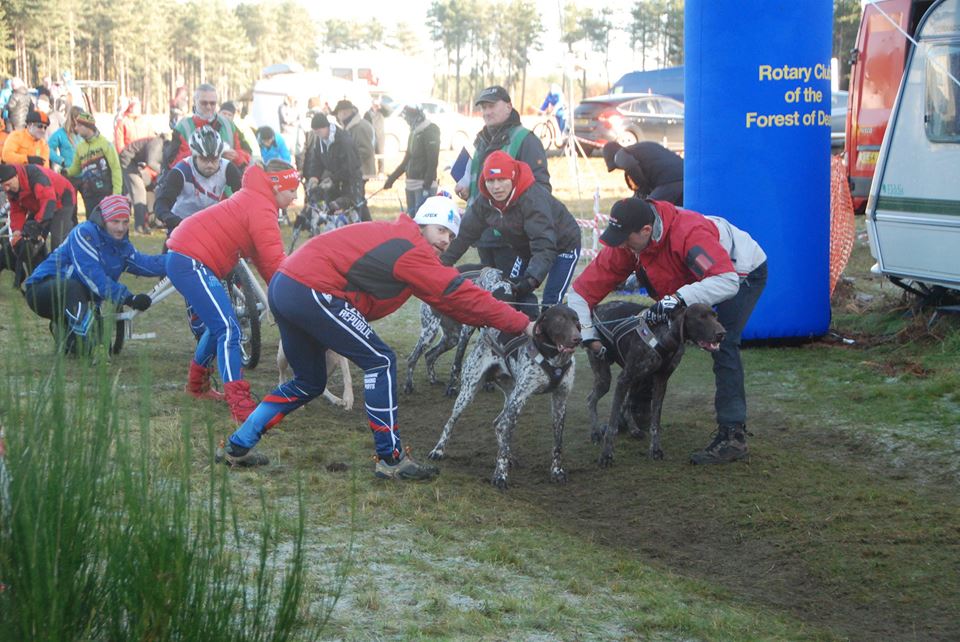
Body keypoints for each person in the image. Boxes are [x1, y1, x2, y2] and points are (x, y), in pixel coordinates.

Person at [217, 195, 535, 478]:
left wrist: (496, 319)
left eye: (451, 236)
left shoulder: (403, 243)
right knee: (380, 361)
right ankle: (390, 458)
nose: (446, 241)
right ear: (422, 224)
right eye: (441, 230)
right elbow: (459, 292)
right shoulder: (409, 246)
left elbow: (452, 301)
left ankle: (237, 446)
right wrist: (524, 324)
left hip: (288, 285)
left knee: (308, 382)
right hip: (310, 287)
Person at [568, 197, 768, 465]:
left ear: (646, 231)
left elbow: (726, 281)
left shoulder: (688, 233)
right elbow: (581, 292)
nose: (622, 246)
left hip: (738, 274)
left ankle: (733, 436)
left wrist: (677, 299)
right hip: (688, 282)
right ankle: (638, 411)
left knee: (723, 344)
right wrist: (588, 334)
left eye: (626, 239)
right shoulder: (629, 241)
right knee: (653, 337)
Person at [165, 160, 292, 422]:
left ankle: (197, 386)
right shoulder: (261, 206)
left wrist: (282, 295)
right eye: (292, 189)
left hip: (190, 257)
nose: (296, 196)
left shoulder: (257, 200)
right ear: (277, 186)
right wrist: (294, 292)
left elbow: (266, 261)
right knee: (229, 329)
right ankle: (240, 405)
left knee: (217, 326)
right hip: (191, 259)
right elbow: (274, 260)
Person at [441, 151, 580, 317]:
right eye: (490, 180)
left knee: (551, 301)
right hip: (525, 247)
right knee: (510, 291)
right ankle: (521, 333)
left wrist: (531, 280)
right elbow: (464, 235)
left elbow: (544, 245)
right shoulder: (485, 201)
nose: (496, 187)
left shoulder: (531, 199)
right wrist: (441, 264)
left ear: (512, 178)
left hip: (563, 245)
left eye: (502, 179)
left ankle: (554, 339)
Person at [22, 195, 164, 355]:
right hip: (42, 291)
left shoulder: (121, 244)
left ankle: (64, 328)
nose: (120, 228)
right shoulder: (84, 233)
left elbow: (146, 263)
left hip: (78, 298)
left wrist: (178, 260)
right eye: (115, 222)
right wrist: (129, 298)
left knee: (90, 351)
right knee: (73, 291)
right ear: (103, 220)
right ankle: (75, 329)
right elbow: (93, 277)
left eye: (125, 222)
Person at [455, 86, 550, 274]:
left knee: (512, 293)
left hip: (512, 237)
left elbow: (541, 189)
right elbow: (486, 186)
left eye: (491, 106)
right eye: (483, 107)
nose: (486, 112)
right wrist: (469, 190)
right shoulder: (482, 141)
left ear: (508, 106)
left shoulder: (525, 140)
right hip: (483, 233)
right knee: (490, 289)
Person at [0, 163, 77, 282]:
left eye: (8, 185)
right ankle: (40, 278)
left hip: (61, 200)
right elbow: (17, 211)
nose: (7, 189)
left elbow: (48, 201)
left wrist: (37, 226)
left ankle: (62, 280)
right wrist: (17, 230)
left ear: (16, 176)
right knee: (28, 242)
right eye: (3, 187)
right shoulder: (12, 190)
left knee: (58, 241)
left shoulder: (35, 176)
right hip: (39, 205)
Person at [163, 83, 250, 171]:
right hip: (193, 182)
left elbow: (247, 154)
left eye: (212, 103)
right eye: (204, 103)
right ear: (195, 102)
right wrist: (202, 153)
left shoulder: (229, 125)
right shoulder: (183, 127)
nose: (208, 107)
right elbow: (173, 163)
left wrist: (236, 156)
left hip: (226, 181)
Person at [383, 104, 441, 215]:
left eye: (409, 118)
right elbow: (407, 160)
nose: (407, 121)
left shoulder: (430, 130)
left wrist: (427, 184)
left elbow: (433, 160)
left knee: (422, 222)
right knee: (412, 221)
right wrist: (392, 179)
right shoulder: (413, 133)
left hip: (423, 185)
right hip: (410, 184)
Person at [303, 113, 362, 209]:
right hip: (336, 181)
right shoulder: (320, 142)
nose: (318, 135)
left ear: (326, 127)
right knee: (334, 209)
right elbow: (316, 161)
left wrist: (332, 179)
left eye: (319, 132)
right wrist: (314, 177)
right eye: (315, 132)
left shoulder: (343, 140)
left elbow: (351, 165)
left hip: (352, 180)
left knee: (355, 209)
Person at [67, 110, 122, 213]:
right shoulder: (80, 147)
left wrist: (116, 194)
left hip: (106, 194)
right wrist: (65, 172)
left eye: (78, 125)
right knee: (92, 225)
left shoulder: (105, 144)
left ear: (87, 126)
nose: (76, 128)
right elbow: (76, 169)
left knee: (106, 225)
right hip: (89, 196)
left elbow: (116, 169)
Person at [602, 141, 684, 205]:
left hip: (669, 181)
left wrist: (643, 188)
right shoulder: (641, 149)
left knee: (647, 210)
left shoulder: (620, 154)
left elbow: (630, 166)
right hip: (686, 177)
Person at [334, 99, 374, 221]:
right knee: (357, 200)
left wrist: (350, 161)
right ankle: (365, 225)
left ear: (345, 112)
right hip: (355, 170)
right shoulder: (349, 126)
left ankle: (366, 226)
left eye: (338, 113)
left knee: (358, 200)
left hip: (361, 170)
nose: (337, 117)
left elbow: (366, 150)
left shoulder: (360, 126)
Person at [118, 135, 164, 234]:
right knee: (139, 192)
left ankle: (153, 221)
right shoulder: (157, 143)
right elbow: (151, 162)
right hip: (128, 160)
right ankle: (139, 227)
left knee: (151, 188)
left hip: (138, 163)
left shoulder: (165, 146)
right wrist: (165, 172)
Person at [364, 95, 386, 176]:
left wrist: (381, 104)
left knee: (381, 153)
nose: (375, 105)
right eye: (374, 103)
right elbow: (365, 124)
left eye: (376, 103)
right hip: (370, 137)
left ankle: (381, 172)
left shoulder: (381, 112)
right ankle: (371, 172)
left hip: (380, 136)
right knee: (370, 154)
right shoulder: (367, 114)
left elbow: (389, 111)